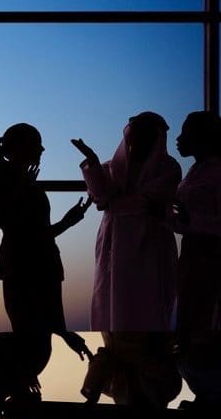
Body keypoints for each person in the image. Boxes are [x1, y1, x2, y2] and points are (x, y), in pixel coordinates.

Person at [73, 112, 181, 331]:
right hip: (114, 242)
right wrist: (93, 163)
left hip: (150, 242)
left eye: (145, 133)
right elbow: (101, 197)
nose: (138, 138)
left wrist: (113, 201)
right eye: (135, 132)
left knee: (148, 299)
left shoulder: (168, 168)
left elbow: (145, 201)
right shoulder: (113, 166)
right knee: (111, 297)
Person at [0, 124, 91, 335]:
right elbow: (12, 225)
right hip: (26, 267)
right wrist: (65, 223)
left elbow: (29, 233)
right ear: (21, 148)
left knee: (36, 338)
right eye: (37, 144)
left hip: (36, 266)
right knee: (35, 338)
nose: (42, 150)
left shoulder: (22, 182)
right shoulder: (3, 181)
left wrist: (66, 222)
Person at [171, 111, 221, 332]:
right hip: (192, 254)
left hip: (211, 257)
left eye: (185, 132)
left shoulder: (216, 172)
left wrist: (189, 220)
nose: (178, 138)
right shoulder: (195, 170)